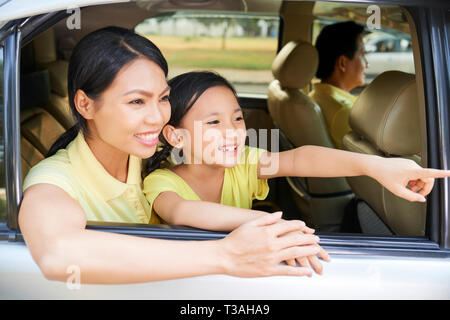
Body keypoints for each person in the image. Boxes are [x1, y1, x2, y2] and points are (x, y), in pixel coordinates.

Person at [18, 27, 323, 284]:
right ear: (85, 105)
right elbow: (58, 254)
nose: (158, 117)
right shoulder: (55, 180)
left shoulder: (153, 153)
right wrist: (226, 255)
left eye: (163, 98)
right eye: (137, 101)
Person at [143, 71, 450, 264]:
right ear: (175, 135)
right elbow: (183, 213)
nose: (233, 131)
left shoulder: (242, 163)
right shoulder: (160, 182)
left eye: (237, 118)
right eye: (214, 122)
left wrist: (375, 165)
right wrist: (273, 225)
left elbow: (300, 158)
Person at [309, 21, 368, 149]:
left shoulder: (316, 95)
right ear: (342, 63)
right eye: (362, 54)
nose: (367, 64)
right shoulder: (344, 113)